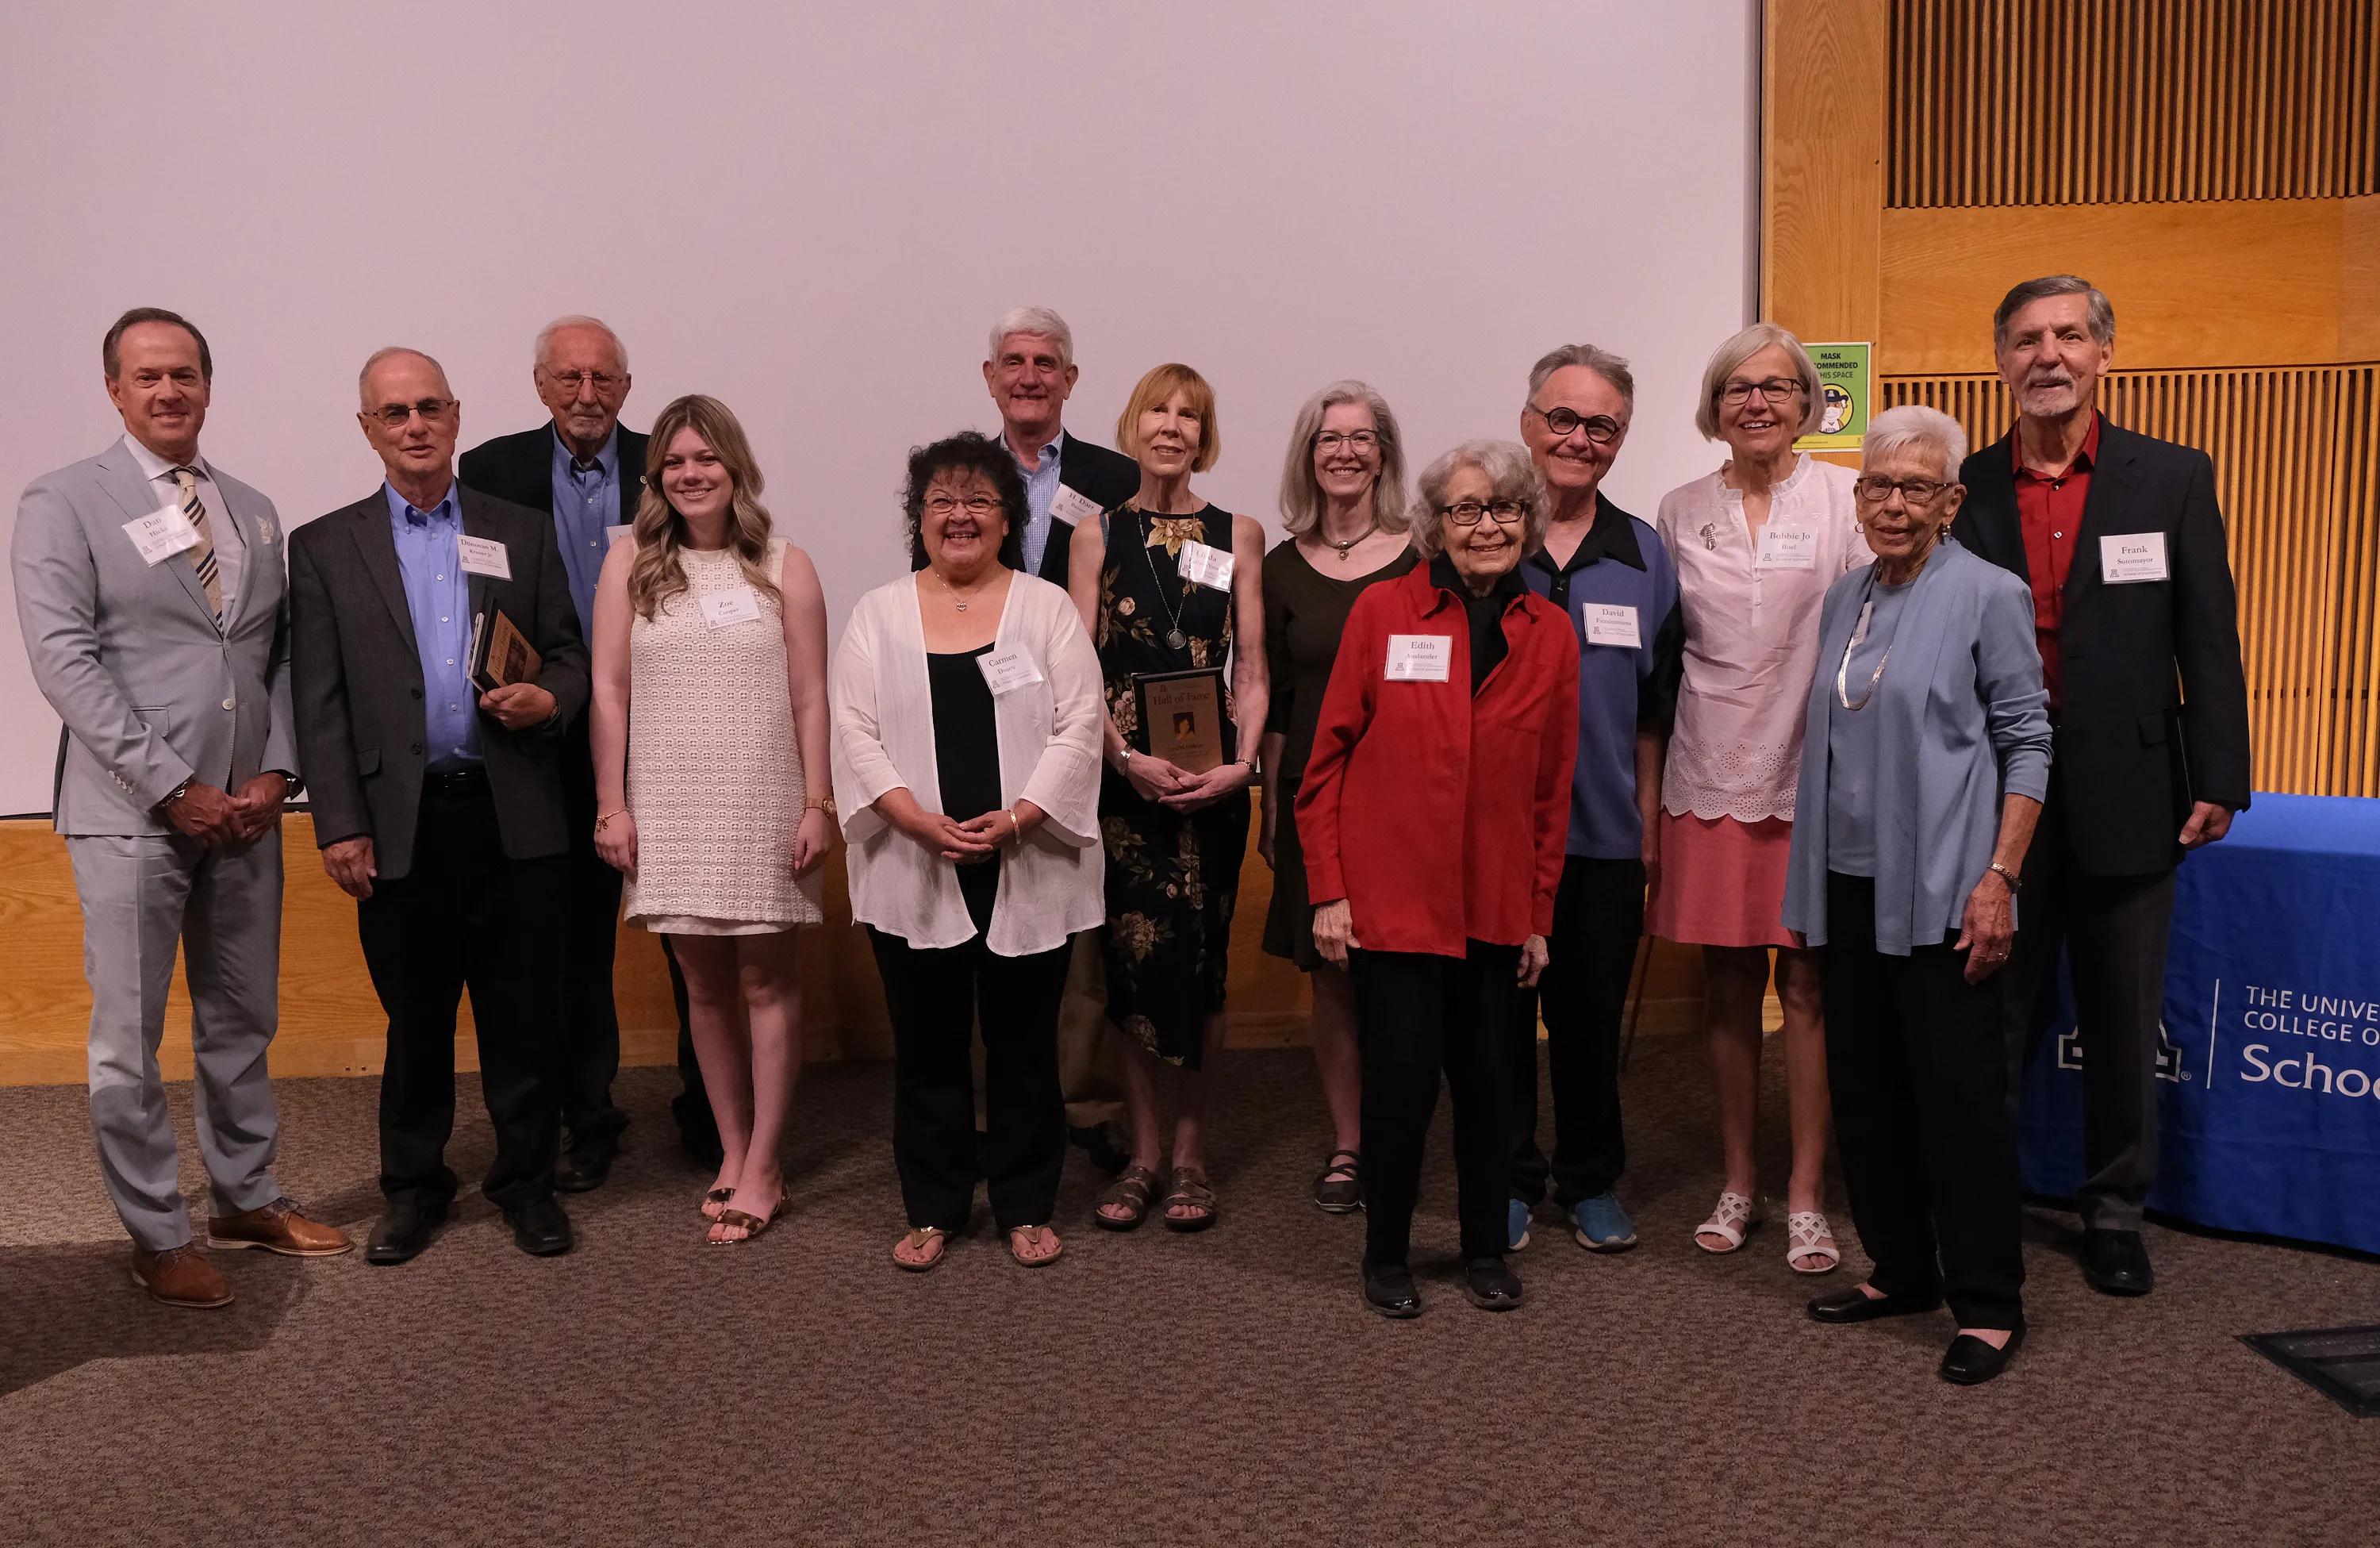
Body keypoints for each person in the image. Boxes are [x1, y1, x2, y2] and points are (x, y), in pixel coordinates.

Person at [10, 308, 349, 1308]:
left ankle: (245, 1195)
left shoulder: (249, 507)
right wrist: (172, 785)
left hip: (244, 814)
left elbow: (277, 653)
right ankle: (157, 1232)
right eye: (148, 376)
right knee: (129, 1034)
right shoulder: (64, 499)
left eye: (186, 374)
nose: (170, 392)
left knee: (242, 1017)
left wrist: (276, 773)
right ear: (115, 390)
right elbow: (63, 659)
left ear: (209, 384)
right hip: (133, 815)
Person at [1950, 275, 2252, 1299]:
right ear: (2000, 361)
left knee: (2123, 1015)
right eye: (2027, 338)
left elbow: (2206, 632)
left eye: (2069, 335)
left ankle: (2114, 1209)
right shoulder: (1966, 485)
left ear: (2104, 353)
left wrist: (2220, 770)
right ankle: (1975, 1195)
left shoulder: (2169, 477)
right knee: (1989, 1003)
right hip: (1997, 798)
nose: (2049, 355)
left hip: (2132, 783)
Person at [290, 347, 588, 1264]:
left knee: (522, 1018)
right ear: (368, 428)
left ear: (455, 416)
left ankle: (526, 1184)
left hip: (512, 813)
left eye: (429, 407)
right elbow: (320, 700)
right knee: (416, 1023)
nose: (415, 425)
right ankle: (414, 1190)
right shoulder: (325, 546)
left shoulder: (521, 529)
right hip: (398, 824)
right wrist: (338, 821)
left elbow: (570, 657)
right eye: (394, 412)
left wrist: (551, 701)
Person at [1783, 405, 2052, 1387]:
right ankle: (1900, 1269)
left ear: (1951, 501)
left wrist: (2001, 877)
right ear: (1856, 498)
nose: (1893, 504)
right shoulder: (1844, 595)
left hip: (1945, 891)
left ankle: (1988, 1303)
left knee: (1960, 1100)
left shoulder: (1990, 594)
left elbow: (2029, 741)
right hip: (1848, 885)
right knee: (1866, 1089)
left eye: (1914, 487)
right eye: (1876, 486)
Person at [1301, 440, 1578, 1317]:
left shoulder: (1553, 633)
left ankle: (1484, 1248)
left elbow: (1550, 790)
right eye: (1467, 508)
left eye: (1504, 507)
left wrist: (1538, 915)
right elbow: (1325, 766)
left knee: (1494, 1092)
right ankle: (1386, 1254)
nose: (1487, 524)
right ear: (1436, 523)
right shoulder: (1385, 612)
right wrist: (1330, 890)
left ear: (1529, 520)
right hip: (1396, 906)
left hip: (1495, 909)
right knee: (1401, 1089)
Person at [831, 432, 1104, 1270]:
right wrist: (913, 818)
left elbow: (1081, 723)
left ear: (1008, 518)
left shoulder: (1045, 607)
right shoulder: (878, 612)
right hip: (914, 861)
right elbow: (854, 731)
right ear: (919, 519)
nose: (960, 515)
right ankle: (935, 1205)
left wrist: (1022, 815)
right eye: (942, 500)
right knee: (927, 1045)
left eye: (979, 500)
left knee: (1026, 1043)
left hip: (1029, 858)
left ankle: (1025, 1202)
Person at [456, 315, 714, 1186]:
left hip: (670, 731)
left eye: (603, 379)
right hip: (544, 735)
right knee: (569, 941)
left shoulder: (673, 465)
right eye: (568, 379)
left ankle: (710, 1109)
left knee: (692, 928)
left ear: (627, 389)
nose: (586, 395)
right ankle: (589, 1113)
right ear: (540, 387)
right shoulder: (489, 471)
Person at [1652, 325, 1870, 1272]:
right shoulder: (1678, 506)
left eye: (1777, 386)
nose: (1757, 401)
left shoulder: (1842, 498)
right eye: (1738, 386)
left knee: (1809, 988)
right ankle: (1739, 1179)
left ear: (1808, 401)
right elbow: (1666, 653)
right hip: (1706, 767)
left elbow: (1874, 627)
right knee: (1729, 987)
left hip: (1810, 770)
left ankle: (1808, 1191)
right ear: (1715, 401)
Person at [589, 394, 830, 1245]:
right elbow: (610, 692)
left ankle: (766, 1161)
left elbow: (810, 695)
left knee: (765, 982)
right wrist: (611, 803)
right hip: (669, 801)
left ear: (735, 468)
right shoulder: (628, 565)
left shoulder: (785, 565)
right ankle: (730, 1149)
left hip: (763, 796)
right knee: (703, 986)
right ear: (658, 476)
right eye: (675, 463)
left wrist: (818, 801)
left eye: (707, 460)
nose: (692, 475)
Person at [1067, 363, 1266, 1231]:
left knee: (1203, 969)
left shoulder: (1239, 532)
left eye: (1191, 414)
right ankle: (1142, 1154)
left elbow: (1251, 666)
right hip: (1125, 788)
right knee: (1129, 971)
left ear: (1205, 435)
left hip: (1216, 782)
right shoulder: (1094, 535)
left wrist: (1245, 763)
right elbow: (1077, 673)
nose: (1173, 425)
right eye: (1159, 409)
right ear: (1133, 423)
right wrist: (1123, 759)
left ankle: (1190, 1154)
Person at [1508, 344, 1683, 1254]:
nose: (1579, 438)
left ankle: (1588, 1178)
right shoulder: (1486, 538)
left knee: (1586, 1017)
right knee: (1499, 1019)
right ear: (1528, 422)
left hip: (1606, 836)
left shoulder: (1644, 554)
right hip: (1496, 841)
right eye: (1563, 418)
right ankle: (1507, 1175)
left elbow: (1656, 709)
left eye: (1601, 425)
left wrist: (1647, 824)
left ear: (1619, 439)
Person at [981, 306, 1144, 1175]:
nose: (1031, 375)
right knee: (992, 914)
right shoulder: (961, 474)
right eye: (1015, 361)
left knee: (1081, 917)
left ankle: (1082, 1099)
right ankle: (1008, 1095)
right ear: (990, 376)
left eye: (1048, 362)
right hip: (990, 721)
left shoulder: (1117, 478)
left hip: (1091, 723)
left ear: (1071, 381)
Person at [1259, 380, 1418, 1213]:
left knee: (1400, 976)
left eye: (1361, 438)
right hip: (1311, 798)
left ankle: (1403, 1134)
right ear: (1309, 455)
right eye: (1329, 439)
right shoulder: (1279, 568)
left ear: (1383, 454)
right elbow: (1277, 697)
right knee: (1331, 975)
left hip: (1403, 802)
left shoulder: (1423, 553)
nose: (1345, 451)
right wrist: (1270, 812)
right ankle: (1351, 1144)